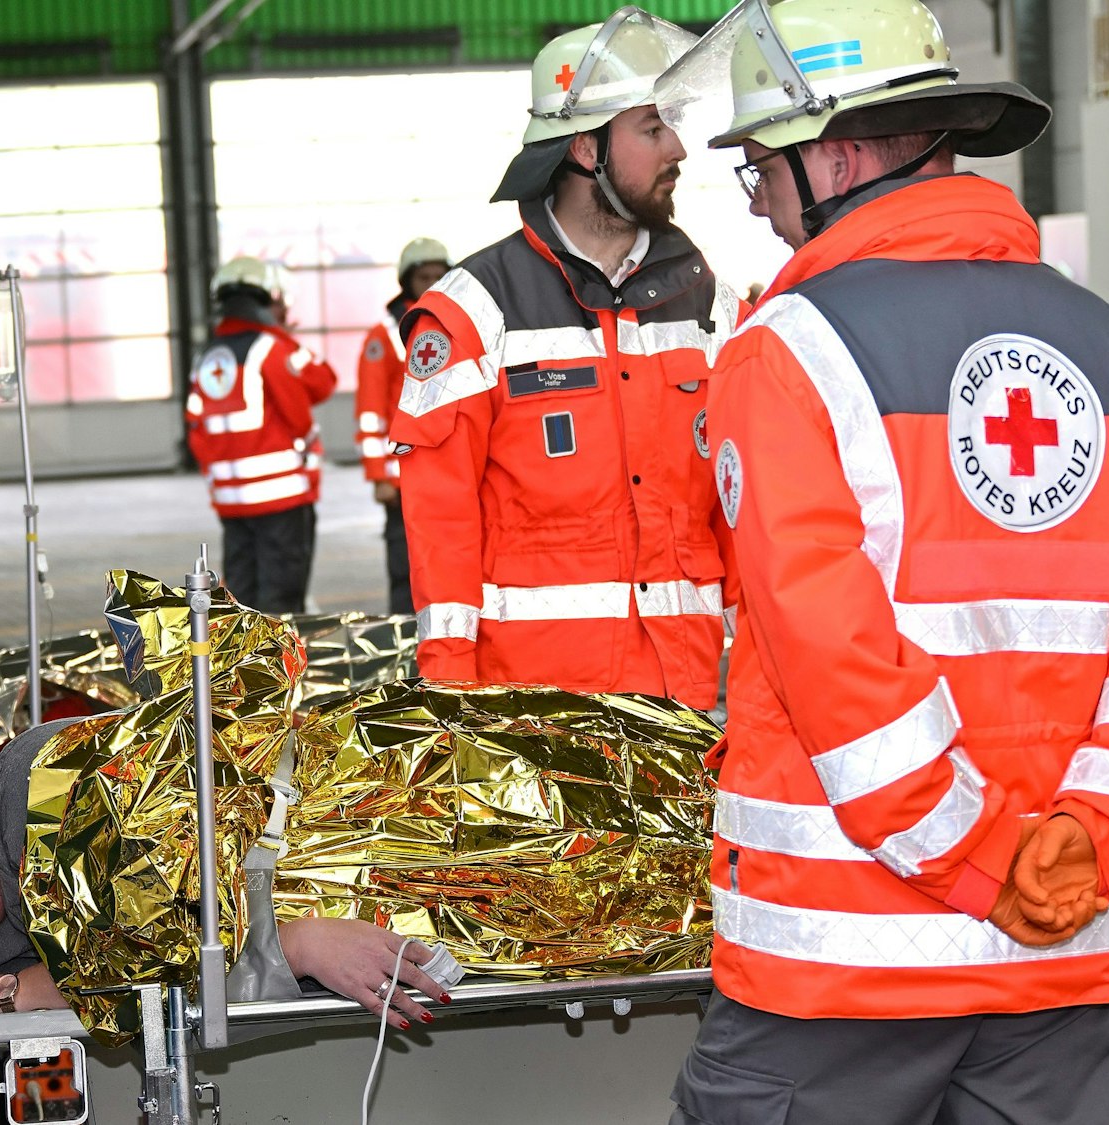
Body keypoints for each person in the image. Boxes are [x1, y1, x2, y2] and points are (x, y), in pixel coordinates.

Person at [671, 1, 1109, 1121]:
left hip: (840, 966)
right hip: (1057, 962)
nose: (756, 204)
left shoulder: (783, 356)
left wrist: (987, 858)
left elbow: (832, 661)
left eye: (758, 171)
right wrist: (1089, 844)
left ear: (833, 154)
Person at [386, 10, 745, 700]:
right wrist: (453, 697)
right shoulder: (473, 314)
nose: (678, 148)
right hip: (540, 721)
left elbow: (741, 516)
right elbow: (441, 526)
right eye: (652, 127)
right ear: (586, 149)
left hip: (686, 704)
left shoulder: (710, 307)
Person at [0, 721, 449, 1031]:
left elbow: (161, 951)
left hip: (411, 797)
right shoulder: (15, 953)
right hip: (423, 905)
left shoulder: (41, 778)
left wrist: (10, 992)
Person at [185, 257, 338, 614]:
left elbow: (195, 428)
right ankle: (277, 670)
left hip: (230, 501)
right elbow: (321, 384)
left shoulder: (205, 356)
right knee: (282, 599)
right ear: (269, 300)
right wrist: (280, 332)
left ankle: (244, 667)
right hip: (281, 498)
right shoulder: (271, 348)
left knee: (242, 598)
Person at [355, 237, 451, 615]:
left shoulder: (461, 319)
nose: (430, 283)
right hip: (403, 478)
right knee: (405, 566)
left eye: (438, 275)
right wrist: (378, 475)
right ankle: (404, 641)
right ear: (406, 281)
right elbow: (369, 410)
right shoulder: (384, 334)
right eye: (423, 276)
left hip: (451, 470)